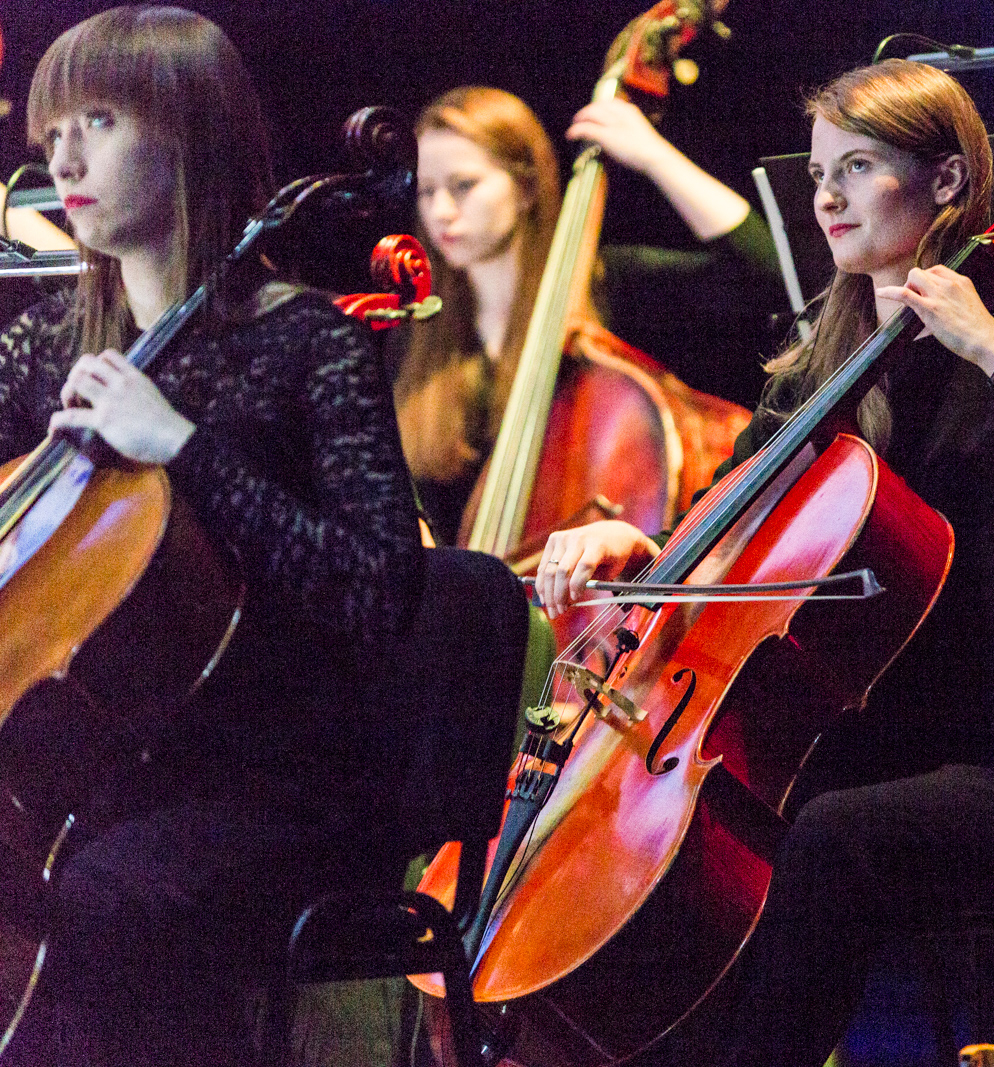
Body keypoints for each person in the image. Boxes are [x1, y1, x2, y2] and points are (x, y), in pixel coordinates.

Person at [534, 59, 994, 1066]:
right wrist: (647, 548)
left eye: (858, 166)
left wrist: (992, 348)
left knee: (828, 836)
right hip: (862, 749)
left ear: (947, 182)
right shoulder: (819, 370)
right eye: (820, 170)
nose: (824, 195)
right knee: (723, 833)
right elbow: (728, 522)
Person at [0, 7, 426, 1064]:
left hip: (284, 784)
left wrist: (182, 445)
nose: (64, 156)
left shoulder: (303, 341)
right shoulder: (49, 341)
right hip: (105, 772)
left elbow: (379, 590)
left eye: (97, 120)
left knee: (103, 899)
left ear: (187, 136)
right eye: (53, 131)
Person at [394, 86, 782, 544]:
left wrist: (656, 157)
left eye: (464, 185)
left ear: (526, 187)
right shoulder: (419, 328)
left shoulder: (611, 284)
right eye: (426, 191)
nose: (441, 211)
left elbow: (772, 276)